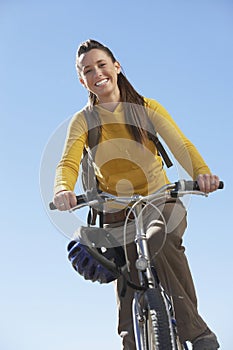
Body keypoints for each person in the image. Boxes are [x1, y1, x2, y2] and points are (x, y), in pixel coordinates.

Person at [53, 39, 220, 349]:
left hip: (159, 200)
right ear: (82, 80)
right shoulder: (83, 121)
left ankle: (198, 335)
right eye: (87, 70)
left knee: (159, 239)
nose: (97, 73)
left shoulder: (146, 108)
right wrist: (63, 189)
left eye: (102, 64)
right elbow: (68, 162)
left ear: (116, 66)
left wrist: (201, 174)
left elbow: (181, 145)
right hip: (117, 212)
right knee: (128, 286)